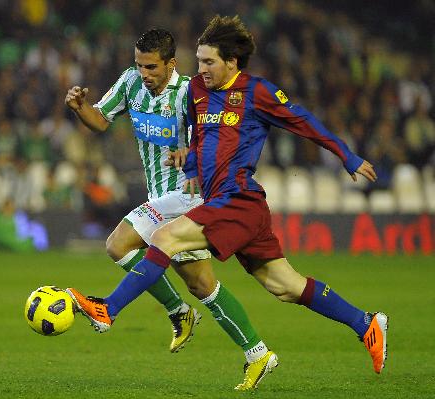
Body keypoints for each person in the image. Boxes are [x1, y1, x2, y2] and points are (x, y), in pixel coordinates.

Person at [67, 15, 388, 391]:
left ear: (231, 62)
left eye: (208, 62)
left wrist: (346, 157)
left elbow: (303, 122)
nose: (200, 69)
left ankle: (109, 309)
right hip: (226, 201)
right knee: (285, 286)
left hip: (238, 199)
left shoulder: (256, 91)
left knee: (165, 239)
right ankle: (365, 323)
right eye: (199, 61)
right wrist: (185, 160)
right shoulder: (197, 94)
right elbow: (202, 143)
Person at [65, 29, 264, 357]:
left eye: (152, 67)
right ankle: (257, 353)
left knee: (118, 243)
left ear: (171, 64)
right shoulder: (130, 83)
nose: (144, 74)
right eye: (140, 65)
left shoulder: (190, 94)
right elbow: (100, 121)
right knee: (202, 285)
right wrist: (79, 107)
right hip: (160, 194)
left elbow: (215, 139)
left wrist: (196, 163)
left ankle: (113, 310)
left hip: (189, 194)